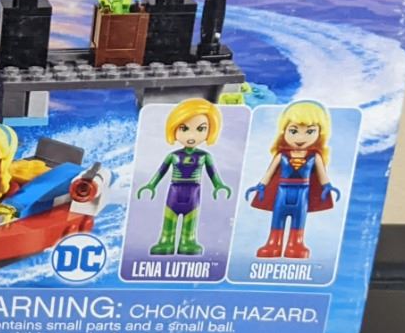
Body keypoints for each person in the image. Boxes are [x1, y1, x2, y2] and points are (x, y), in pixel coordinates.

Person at [135, 98, 231, 256]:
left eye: (200, 129)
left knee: (191, 218)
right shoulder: (173, 155)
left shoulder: (204, 156)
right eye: (184, 128)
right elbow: (161, 171)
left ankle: (188, 240)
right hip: (175, 190)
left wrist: (218, 185)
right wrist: (151, 185)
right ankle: (166, 240)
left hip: (194, 191)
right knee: (169, 217)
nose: (191, 135)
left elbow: (212, 173)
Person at [245, 102, 341, 259]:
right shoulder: (281, 155)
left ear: (320, 133)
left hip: (303, 193)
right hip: (282, 191)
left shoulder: (315, 156)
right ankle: (273, 244)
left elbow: (322, 175)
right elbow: (269, 173)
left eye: (309, 131)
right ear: (284, 131)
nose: (300, 138)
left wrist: (327, 186)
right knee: (278, 217)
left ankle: (296, 244)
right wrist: (261, 186)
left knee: (299, 219)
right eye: (294, 131)